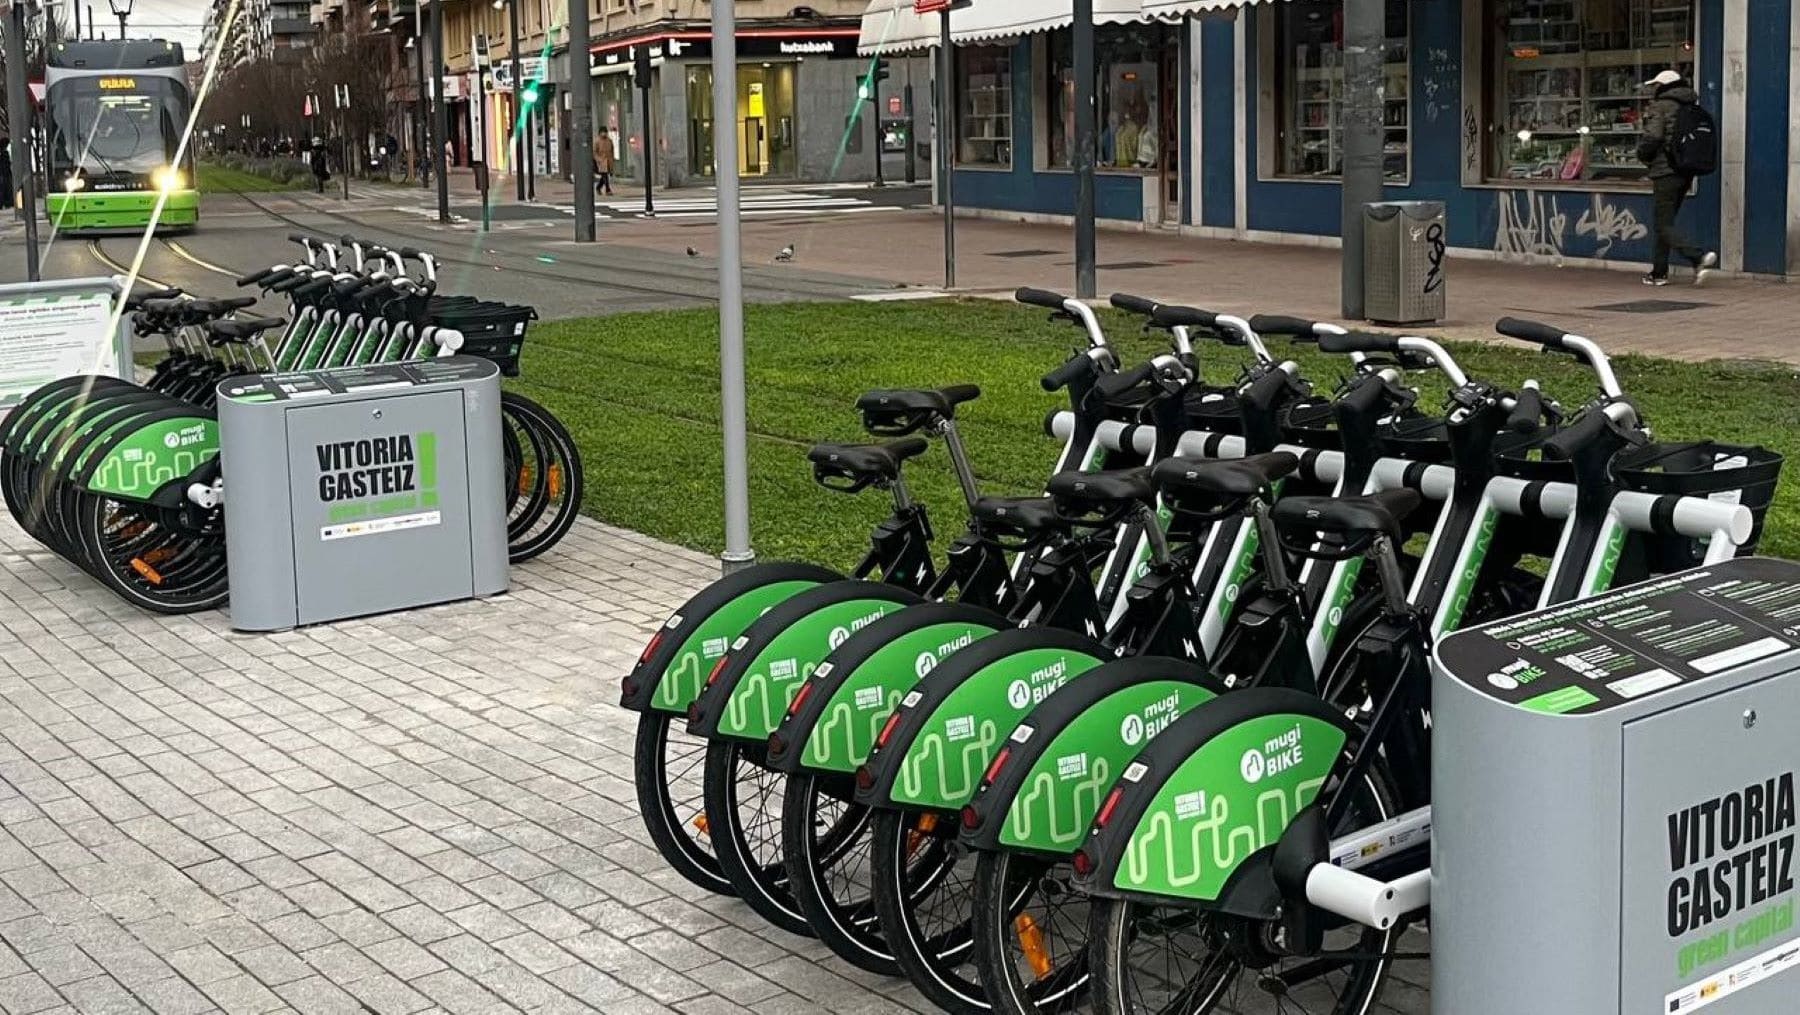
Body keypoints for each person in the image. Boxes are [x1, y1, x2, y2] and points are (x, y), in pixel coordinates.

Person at [1637, 69, 1717, 286]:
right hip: (1685, 171)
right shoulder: (1690, 106)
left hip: (1665, 171)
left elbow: (1653, 136)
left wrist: (1642, 155)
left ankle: (1697, 257)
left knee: (1663, 224)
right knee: (1665, 223)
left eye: (1656, 85)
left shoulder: (1660, 106)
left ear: (1664, 86)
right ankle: (1658, 273)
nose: (1654, 89)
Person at [593, 127, 616, 197]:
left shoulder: (609, 141)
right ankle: (608, 190)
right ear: (600, 133)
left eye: (605, 132)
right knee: (605, 175)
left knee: (605, 176)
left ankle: (598, 187)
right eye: (602, 132)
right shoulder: (597, 141)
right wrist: (598, 159)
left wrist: (612, 159)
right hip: (601, 161)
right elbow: (594, 152)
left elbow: (612, 150)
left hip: (608, 161)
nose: (604, 134)